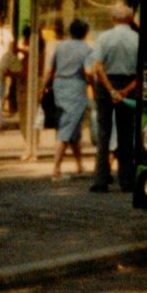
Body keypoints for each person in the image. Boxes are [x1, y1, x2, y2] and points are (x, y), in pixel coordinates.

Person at [87, 4, 139, 193]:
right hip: (129, 85)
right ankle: (127, 179)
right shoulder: (137, 39)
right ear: (131, 19)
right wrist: (125, 91)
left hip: (106, 85)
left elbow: (98, 67)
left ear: (112, 19)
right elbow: (141, 71)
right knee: (126, 133)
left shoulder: (104, 37)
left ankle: (100, 178)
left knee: (103, 133)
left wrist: (110, 90)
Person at [41, 19, 92, 180]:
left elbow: (51, 70)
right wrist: (95, 87)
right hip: (76, 88)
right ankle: (56, 169)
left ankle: (79, 166)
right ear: (85, 33)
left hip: (59, 86)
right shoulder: (86, 49)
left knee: (73, 128)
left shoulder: (60, 46)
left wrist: (42, 88)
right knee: (67, 129)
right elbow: (88, 72)